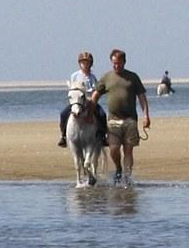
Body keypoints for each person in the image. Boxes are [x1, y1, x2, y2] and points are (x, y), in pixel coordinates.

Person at [91, 48, 151, 186]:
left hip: (130, 120)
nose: (116, 66)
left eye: (119, 63)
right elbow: (95, 95)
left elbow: (142, 97)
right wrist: (90, 111)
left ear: (124, 62)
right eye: (114, 63)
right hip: (113, 121)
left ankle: (127, 177)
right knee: (114, 149)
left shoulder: (133, 77)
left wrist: (146, 116)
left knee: (128, 150)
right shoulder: (107, 77)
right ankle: (118, 168)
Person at [57, 51, 108, 147]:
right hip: (77, 101)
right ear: (79, 64)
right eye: (83, 62)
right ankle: (63, 136)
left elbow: (95, 90)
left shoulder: (92, 77)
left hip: (90, 101)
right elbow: (72, 89)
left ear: (90, 64)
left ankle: (103, 136)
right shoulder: (74, 76)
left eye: (87, 63)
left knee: (102, 114)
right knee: (63, 114)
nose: (85, 65)